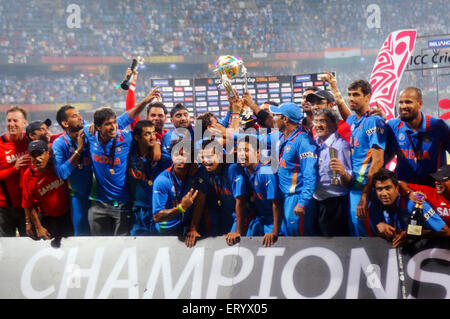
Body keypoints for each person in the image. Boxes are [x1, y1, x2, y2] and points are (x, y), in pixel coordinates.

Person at [84, 87, 162, 236]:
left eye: (114, 122)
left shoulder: (126, 137)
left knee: (120, 246)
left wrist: (156, 144)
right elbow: (78, 126)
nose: (113, 127)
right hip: (98, 204)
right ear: (98, 127)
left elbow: (133, 121)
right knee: (98, 246)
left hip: (122, 204)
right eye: (108, 124)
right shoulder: (89, 134)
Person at [186, 139, 248, 246]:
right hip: (224, 214)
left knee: (233, 242)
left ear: (219, 155)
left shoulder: (233, 169)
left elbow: (241, 201)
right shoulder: (203, 171)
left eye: (209, 156)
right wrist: (193, 228)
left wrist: (237, 231)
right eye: (202, 157)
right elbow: (200, 199)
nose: (205, 160)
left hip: (240, 215)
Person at [386, 87, 450, 187]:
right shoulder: (392, 126)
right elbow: (384, 157)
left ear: (420, 104)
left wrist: (444, 178)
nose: (403, 106)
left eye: (408, 102)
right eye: (400, 102)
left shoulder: (438, 126)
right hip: (405, 191)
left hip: (433, 191)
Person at [270, 102, 318, 236]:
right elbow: (257, 138)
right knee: (290, 241)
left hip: (297, 199)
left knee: (301, 242)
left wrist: (303, 202)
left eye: (276, 115)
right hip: (285, 199)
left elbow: (310, 174)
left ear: (285, 119)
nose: (273, 118)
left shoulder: (303, 141)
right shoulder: (281, 137)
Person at [345, 80, 386, 237]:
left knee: (367, 233)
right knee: (355, 232)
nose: (351, 99)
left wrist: (365, 194)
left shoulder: (374, 121)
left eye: (356, 95)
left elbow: (378, 161)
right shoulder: (352, 120)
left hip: (365, 188)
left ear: (367, 96)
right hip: (352, 187)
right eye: (349, 95)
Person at [370, 168, 449, 247]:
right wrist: (379, 224)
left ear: (397, 188)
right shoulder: (375, 201)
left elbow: (445, 231)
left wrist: (411, 234)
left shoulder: (416, 203)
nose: (384, 193)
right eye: (379, 189)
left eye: (388, 188)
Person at [152, 138, 206, 237]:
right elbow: (157, 217)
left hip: (186, 224)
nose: (179, 158)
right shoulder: (162, 180)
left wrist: (193, 228)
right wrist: (181, 207)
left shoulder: (197, 173)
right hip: (167, 229)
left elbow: (200, 201)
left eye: (183, 155)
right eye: (176, 154)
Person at [312, 108, 352, 236]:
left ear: (334, 123)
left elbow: (350, 180)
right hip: (317, 202)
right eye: (316, 121)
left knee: (336, 245)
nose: (318, 125)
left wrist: (343, 173)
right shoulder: (314, 145)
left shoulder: (342, 146)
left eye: (323, 121)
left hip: (336, 204)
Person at [22, 140, 73, 239]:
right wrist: (38, 227)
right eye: (33, 156)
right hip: (48, 219)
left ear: (48, 154)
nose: (37, 159)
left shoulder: (57, 166)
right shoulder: (28, 176)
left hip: (68, 215)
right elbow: (28, 204)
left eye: (40, 154)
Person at [237, 135, 282, 247]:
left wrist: (274, 232)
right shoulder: (247, 171)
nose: (242, 154)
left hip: (275, 223)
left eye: (246, 150)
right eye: (239, 151)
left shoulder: (265, 171)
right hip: (261, 220)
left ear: (257, 153)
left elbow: (277, 203)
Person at [0, 106, 31, 237]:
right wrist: (14, 168)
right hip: (4, 207)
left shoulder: (30, 140)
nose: (11, 124)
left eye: (15, 121)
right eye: (9, 121)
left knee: (29, 245)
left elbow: (52, 138)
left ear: (24, 123)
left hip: (27, 206)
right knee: (4, 248)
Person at [127, 120, 162, 235]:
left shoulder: (162, 158)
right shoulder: (130, 155)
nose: (152, 137)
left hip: (157, 211)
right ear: (137, 137)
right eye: (147, 134)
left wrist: (157, 145)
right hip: (137, 212)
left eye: (153, 133)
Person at [161, 103, 194, 169]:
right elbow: (166, 159)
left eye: (185, 115)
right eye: (178, 116)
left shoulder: (196, 133)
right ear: (171, 120)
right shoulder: (168, 137)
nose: (183, 118)